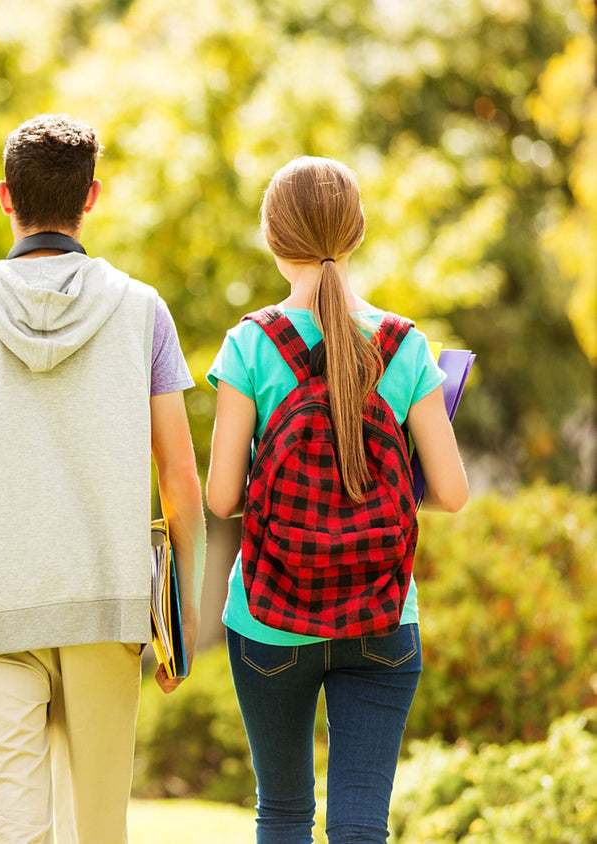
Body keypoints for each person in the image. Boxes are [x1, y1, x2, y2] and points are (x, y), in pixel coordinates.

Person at [0, 113, 205, 844]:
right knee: (98, 831)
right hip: (106, 605)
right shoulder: (142, 311)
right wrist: (180, 618)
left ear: (6, 196)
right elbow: (180, 474)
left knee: (15, 831)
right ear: (91, 196)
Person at [205, 156, 469, 844]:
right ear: (355, 235)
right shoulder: (404, 346)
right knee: (359, 826)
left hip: (270, 619)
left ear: (272, 237)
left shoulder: (250, 345)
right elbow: (453, 491)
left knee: (285, 812)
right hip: (383, 616)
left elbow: (222, 495)